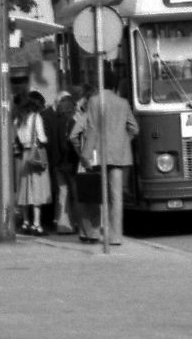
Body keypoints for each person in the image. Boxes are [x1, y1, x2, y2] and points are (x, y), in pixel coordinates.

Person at [70, 69, 138, 245]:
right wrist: (122, 141)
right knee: (116, 197)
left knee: (96, 194)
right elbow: (134, 128)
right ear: (115, 84)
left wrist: (85, 154)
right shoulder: (122, 103)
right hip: (119, 156)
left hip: (97, 155)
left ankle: (95, 232)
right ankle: (115, 237)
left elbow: (91, 128)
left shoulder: (93, 101)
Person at [14, 91, 52, 234]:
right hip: (36, 155)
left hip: (24, 155)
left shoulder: (18, 119)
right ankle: (37, 224)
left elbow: (17, 137)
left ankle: (25, 222)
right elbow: (42, 138)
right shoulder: (36, 117)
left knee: (25, 191)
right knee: (38, 190)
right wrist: (45, 140)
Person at [45, 90, 79, 234]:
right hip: (71, 162)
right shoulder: (72, 121)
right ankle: (77, 222)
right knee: (76, 193)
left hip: (58, 163)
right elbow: (73, 141)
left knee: (62, 193)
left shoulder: (56, 121)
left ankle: (63, 224)